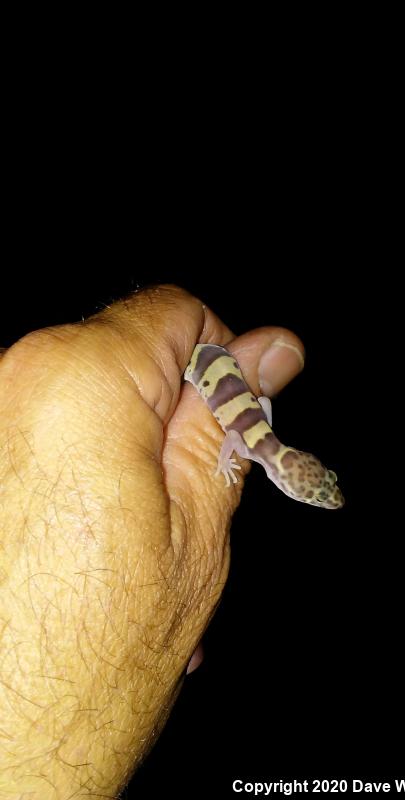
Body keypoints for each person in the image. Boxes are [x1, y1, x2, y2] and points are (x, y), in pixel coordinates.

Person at [0, 284, 304, 798]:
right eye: (311, 495)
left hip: (207, 364)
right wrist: (224, 461)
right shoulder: (256, 448)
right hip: (199, 364)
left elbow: (262, 414)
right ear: (289, 481)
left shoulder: (269, 443)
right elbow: (235, 436)